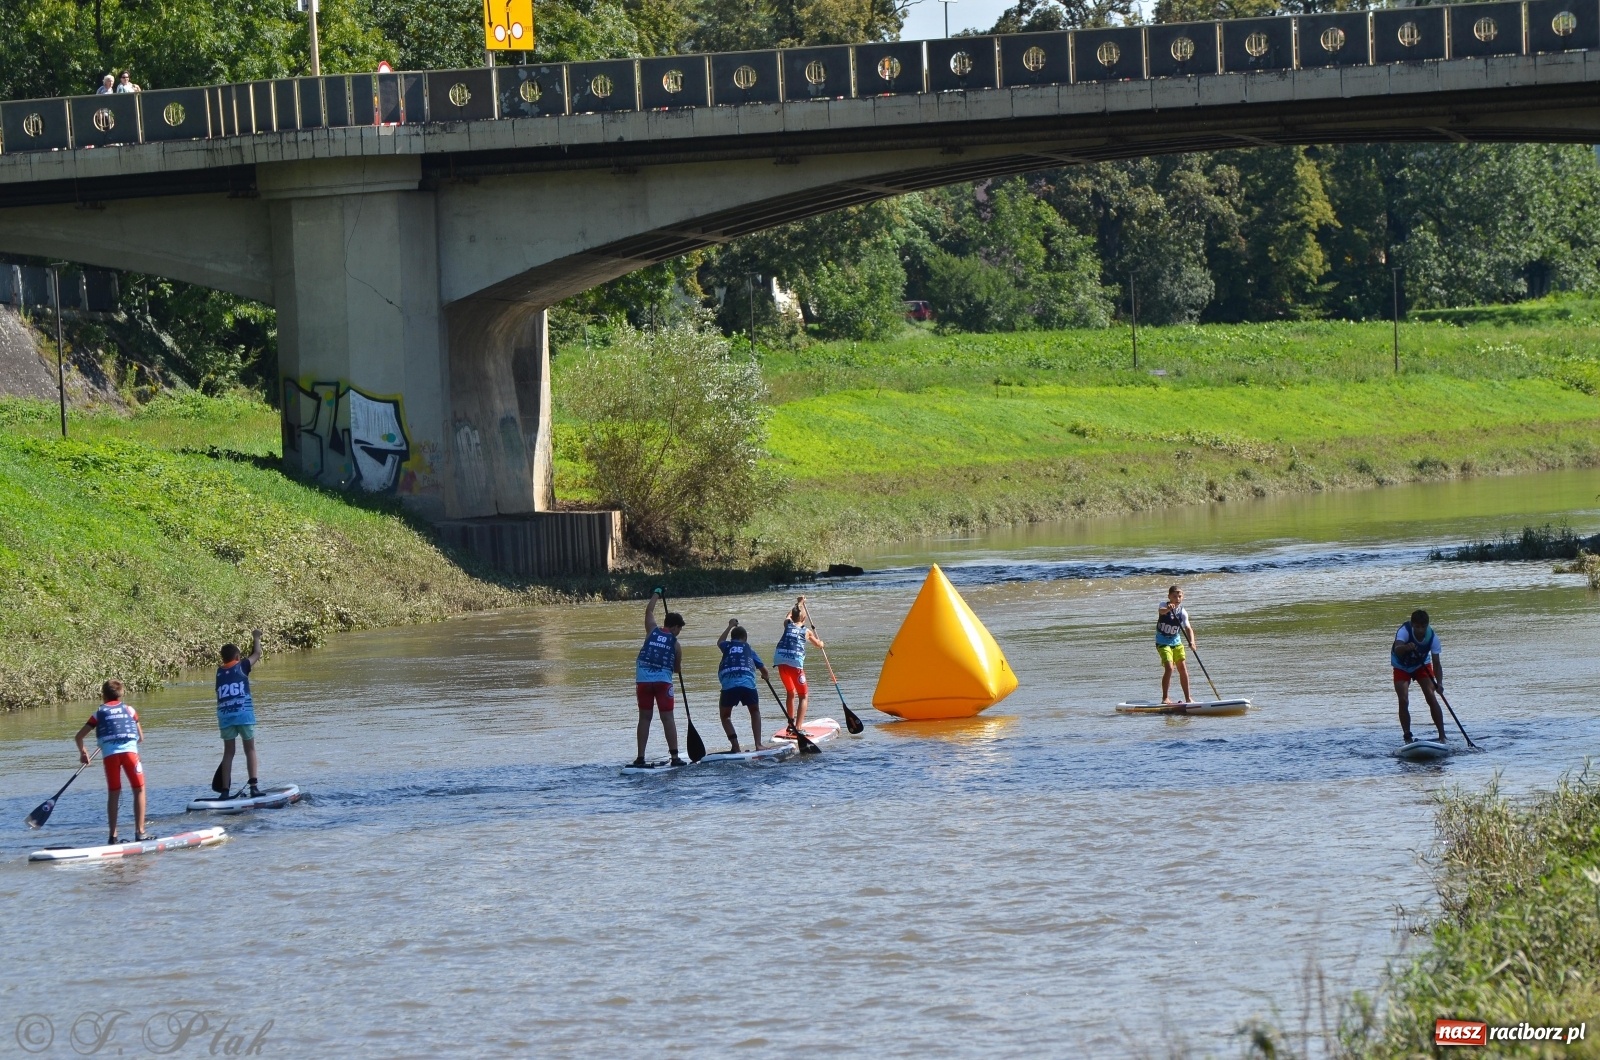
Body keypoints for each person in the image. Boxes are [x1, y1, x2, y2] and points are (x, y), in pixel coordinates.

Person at [73, 680, 147, 845]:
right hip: (130, 755)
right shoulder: (130, 710)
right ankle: (140, 832)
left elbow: (79, 737)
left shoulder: (98, 713)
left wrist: (84, 753)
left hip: (110, 757)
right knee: (139, 790)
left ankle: (113, 836)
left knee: (114, 793)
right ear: (121, 695)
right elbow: (140, 738)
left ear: (103, 696)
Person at [634, 591, 684, 767]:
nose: (679, 633)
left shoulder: (652, 630)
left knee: (645, 718)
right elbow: (677, 669)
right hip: (663, 683)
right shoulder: (676, 645)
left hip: (643, 682)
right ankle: (675, 757)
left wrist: (656, 593)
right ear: (675, 627)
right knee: (668, 718)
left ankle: (640, 757)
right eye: (679, 629)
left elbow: (649, 611)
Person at [216, 630, 264, 798]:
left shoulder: (219, 672)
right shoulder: (242, 666)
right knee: (249, 749)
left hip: (225, 717)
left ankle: (224, 791)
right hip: (244, 715)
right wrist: (256, 637)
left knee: (228, 752)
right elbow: (257, 653)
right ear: (237, 656)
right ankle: (254, 787)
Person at [1392, 608, 1447, 743]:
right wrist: (1405, 647)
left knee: (1431, 695)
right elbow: (1398, 649)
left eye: (1423, 627)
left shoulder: (1433, 638)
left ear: (1427, 625)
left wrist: (1439, 684)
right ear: (1412, 625)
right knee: (1403, 699)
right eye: (1417, 627)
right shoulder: (1404, 631)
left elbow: (1437, 663)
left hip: (1421, 665)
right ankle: (1407, 737)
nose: (1420, 630)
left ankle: (1442, 737)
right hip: (1401, 666)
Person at [716, 619, 770, 753]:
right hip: (747, 684)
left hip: (729, 685)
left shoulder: (727, 646)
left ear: (732, 638)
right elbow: (764, 670)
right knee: (754, 711)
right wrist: (765, 676)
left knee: (725, 716)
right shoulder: (749, 649)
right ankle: (758, 744)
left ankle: (735, 746)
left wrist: (729, 626)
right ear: (745, 638)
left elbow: (719, 641)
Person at [773, 597, 824, 730]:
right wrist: (821, 643)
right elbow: (818, 644)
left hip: (780, 662)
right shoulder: (806, 631)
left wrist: (799, 604)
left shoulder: (787, 625)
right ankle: (798, 728)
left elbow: (788, 615)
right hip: (794, 664)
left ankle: (790, 724)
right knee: (803, 696)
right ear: (804, 619)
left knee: (790, 692)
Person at [1157, 585, 1195, 705]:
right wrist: (1169, 609)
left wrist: (1192, 641)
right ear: (1169, 597)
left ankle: (1188, 698)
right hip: (1162, 641)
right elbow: (1162, 611)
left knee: (1183, 668)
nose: (1177, 598)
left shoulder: (1182, 611)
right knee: (1169, 668)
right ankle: (1165, 698)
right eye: (1174, 596)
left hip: (1176, 642)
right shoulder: (1163, 605)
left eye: (1179, 596)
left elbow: (1188, 628)